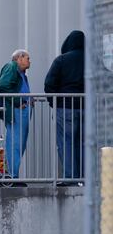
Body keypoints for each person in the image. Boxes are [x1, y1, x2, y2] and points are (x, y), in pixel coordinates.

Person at [44, 30, 85, 183]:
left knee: (66, 142)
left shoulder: (61, 60)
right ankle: (84, 177)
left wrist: (54, 102)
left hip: (65, 107)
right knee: (84, 143)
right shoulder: (93, 61)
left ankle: (70, 178)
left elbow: (49, 83)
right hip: (87, 108)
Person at [0, 50, 32, 185]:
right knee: (15, 143)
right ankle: (11, 177)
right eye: (28, 58)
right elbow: (3, 85)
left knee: (19, 143)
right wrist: (19, 101)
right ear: (20, 58)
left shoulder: (20, 72)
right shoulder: (12, 67)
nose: (30, 61)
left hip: (21, 109)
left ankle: (13, 175)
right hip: (17, 110)